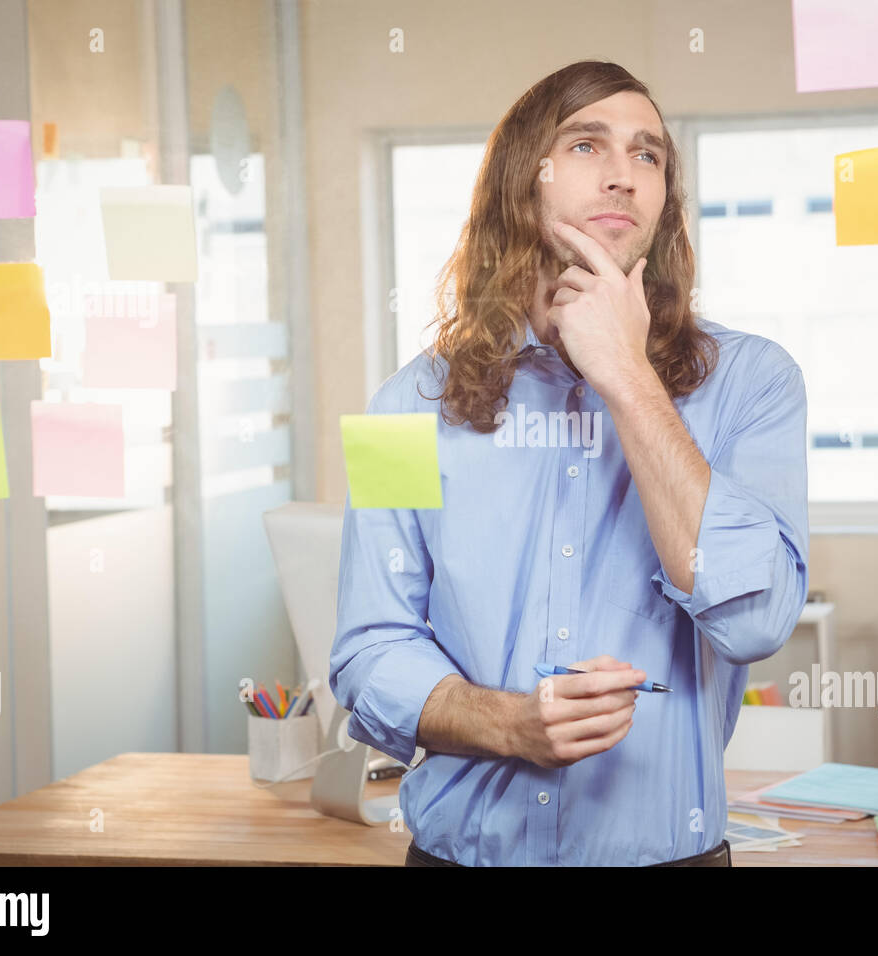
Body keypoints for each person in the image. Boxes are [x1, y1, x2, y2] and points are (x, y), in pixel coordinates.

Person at [329, 59, 809, 866]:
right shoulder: (401, 406)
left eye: (648, 155)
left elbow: (755, 622)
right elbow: (368, 649)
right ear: (525, 180)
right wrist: (509, 724)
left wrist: (626, 375)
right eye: (588, 146)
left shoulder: (756, 383)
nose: (624, 176)